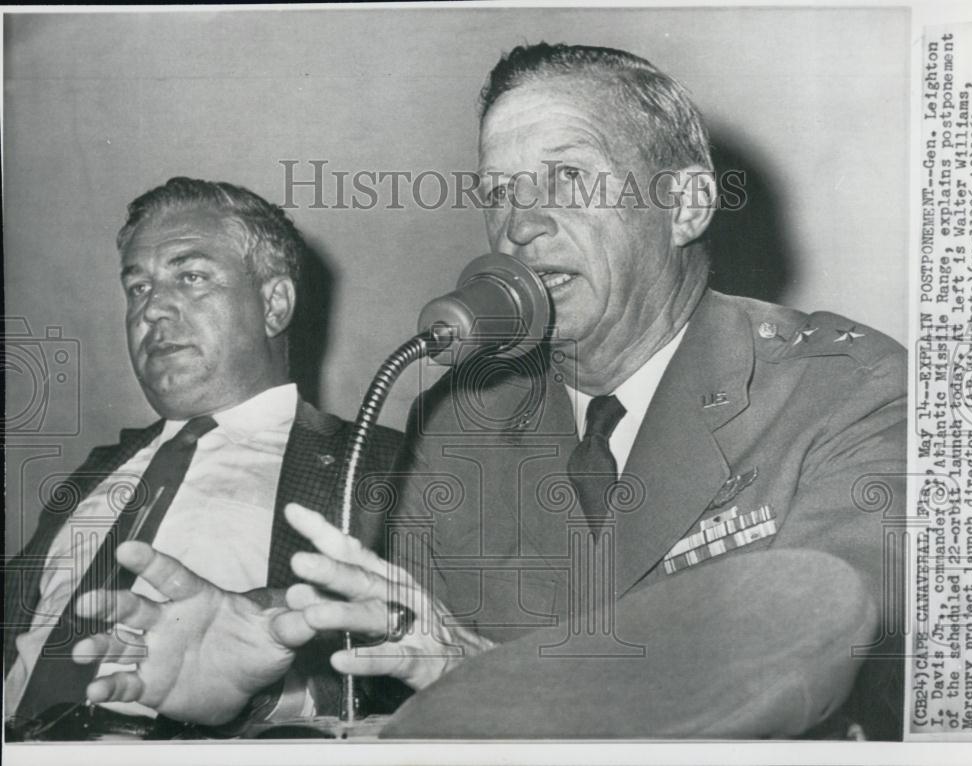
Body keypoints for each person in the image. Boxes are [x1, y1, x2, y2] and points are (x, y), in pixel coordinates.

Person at [64, 43, 907, 739]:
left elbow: (816, 669)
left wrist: (488, 682)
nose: (520, 223)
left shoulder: (844, 389)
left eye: (567, 177)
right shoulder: (461, 421)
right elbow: (398, 665)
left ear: (685, 203)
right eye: (497, 192)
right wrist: (267, 680)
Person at [3, 177, 403, 739]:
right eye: (137, 287)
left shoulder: (378, 463)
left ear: (274, 303)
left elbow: (444, 659)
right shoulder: (97, 468)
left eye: (190, 277)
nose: (153, 310)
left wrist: (267, 695)